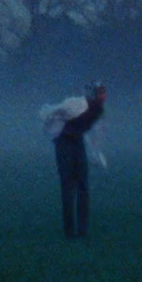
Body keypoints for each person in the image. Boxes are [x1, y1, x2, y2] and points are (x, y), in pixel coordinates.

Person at [39, 81, 106, 240]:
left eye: (103, 92)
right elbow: (52, 112)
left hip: (77, 143)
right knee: (68, 186)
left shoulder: (97, 110)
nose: (103, 96)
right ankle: (69, 232)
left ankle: (82, 231)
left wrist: (96, 154)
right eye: (100, 92)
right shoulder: (76, 105)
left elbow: (93, 131)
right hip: (64, 143)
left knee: (83, 185)